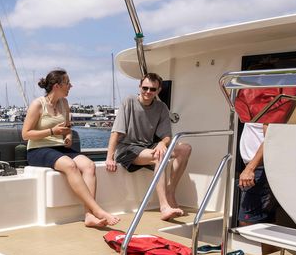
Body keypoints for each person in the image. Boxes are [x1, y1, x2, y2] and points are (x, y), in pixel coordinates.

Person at [22, 69, 120, 228]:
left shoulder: (64, 103)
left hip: (59, 148)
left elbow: (67, 128)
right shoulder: (37, 104)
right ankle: (97, 210)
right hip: (38, 150)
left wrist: (67, 137)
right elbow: (25, 134)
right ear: (56, 86)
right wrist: (53, 131)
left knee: (89, 165)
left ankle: (89, 215)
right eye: (67, 83)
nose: (71, 86)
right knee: (70, 165)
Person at [105, 73, 192, 221]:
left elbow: (167, 136)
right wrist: (109, 157)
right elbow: (116, 132)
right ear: (139, 87)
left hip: (146, 147)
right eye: (145, 88)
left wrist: (161, 143)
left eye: (152, 89)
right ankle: (164, 207)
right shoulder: (129, 101)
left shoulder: (161, 107)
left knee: (185, 148)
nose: (148, 92)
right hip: (127, 148)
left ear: (158, 91)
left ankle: (170, 193)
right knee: (160, 156)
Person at [234, 64, 296, 253]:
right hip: (257, 168)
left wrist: (250, 168)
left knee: (248, 220)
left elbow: (268, 140)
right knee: (264, 218)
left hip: (259, 169)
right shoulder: (256, 108)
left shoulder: (268, 106)